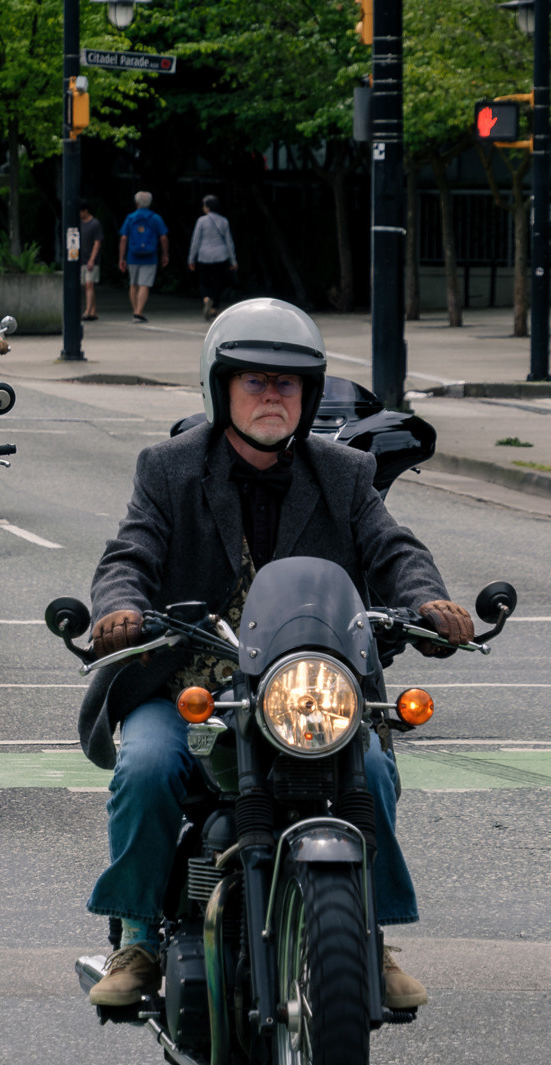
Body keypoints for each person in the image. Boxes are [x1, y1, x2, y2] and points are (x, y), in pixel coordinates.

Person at [77, 299, 472, 1010]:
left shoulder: (344, 473)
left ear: (308, 395)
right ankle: (136, 939)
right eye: (254, 381)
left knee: (372, 770)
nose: (271, 396)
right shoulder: (169, 467)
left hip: (305, 687)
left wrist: (429, 601)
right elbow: (130, 552)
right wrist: (119, 609)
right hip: (191, 685)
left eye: (286, 383)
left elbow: (394, 549)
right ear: (220, 387)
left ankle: (366, 935)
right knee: (145, 766)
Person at [117, 190, 167, 322]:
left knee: (133, 284)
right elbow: (163, 237)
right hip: (150, 257)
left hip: (132, 256)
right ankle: (139, 311)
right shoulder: (156, 218)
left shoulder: (130, 218)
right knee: (144, 284)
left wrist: (121, 258)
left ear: (136, 202)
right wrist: (165, 254)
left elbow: (123, 238)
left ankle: (135, 311)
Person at [187, 194, 237, 320]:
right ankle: (214, 308)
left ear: (207, 207)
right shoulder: (224, 221)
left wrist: (191, 259)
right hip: (221, 255)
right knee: (218, 282)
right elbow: (229, 242)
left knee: (203, 282)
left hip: (204, 255)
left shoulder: (201, 221)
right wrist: (233, 261)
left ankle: (206, 299)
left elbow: (195, 241)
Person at [75, 205, 102, 321]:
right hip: (82, 259)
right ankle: (93, 310)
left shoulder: (95, 223)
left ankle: (88, 310)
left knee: (89, 285)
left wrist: (92, 259)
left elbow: (97, 242)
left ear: (85, 210)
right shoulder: (80, 224)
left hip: (91, 260)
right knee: (87, 286)